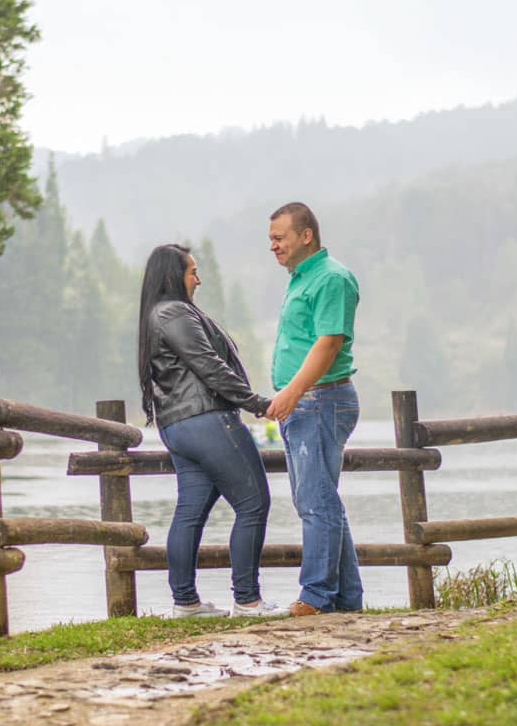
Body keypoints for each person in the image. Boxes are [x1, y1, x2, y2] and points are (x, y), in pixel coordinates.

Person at [138, 244, 286, 618]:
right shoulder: (175, 313)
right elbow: (210, 367)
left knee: (190, 511)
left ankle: (186, 602)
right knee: (253, 504)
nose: (198, 278)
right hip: (207, 421)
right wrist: (257, 403)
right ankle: (248, 600)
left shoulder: (157, 315)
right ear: (174, 276)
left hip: (178, 426)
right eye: (192, 271)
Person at [265, 203, 363, 616]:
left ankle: (316, 597)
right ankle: (345, 598)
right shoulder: (301, 278)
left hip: (321, 400)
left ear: (306, 236)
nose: (273, 246)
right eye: (270, 240)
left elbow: (328, 344)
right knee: (320, 500)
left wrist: (291, 392)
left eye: (280, 238)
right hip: (306, 402)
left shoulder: (332, 278)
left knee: (316, 501)